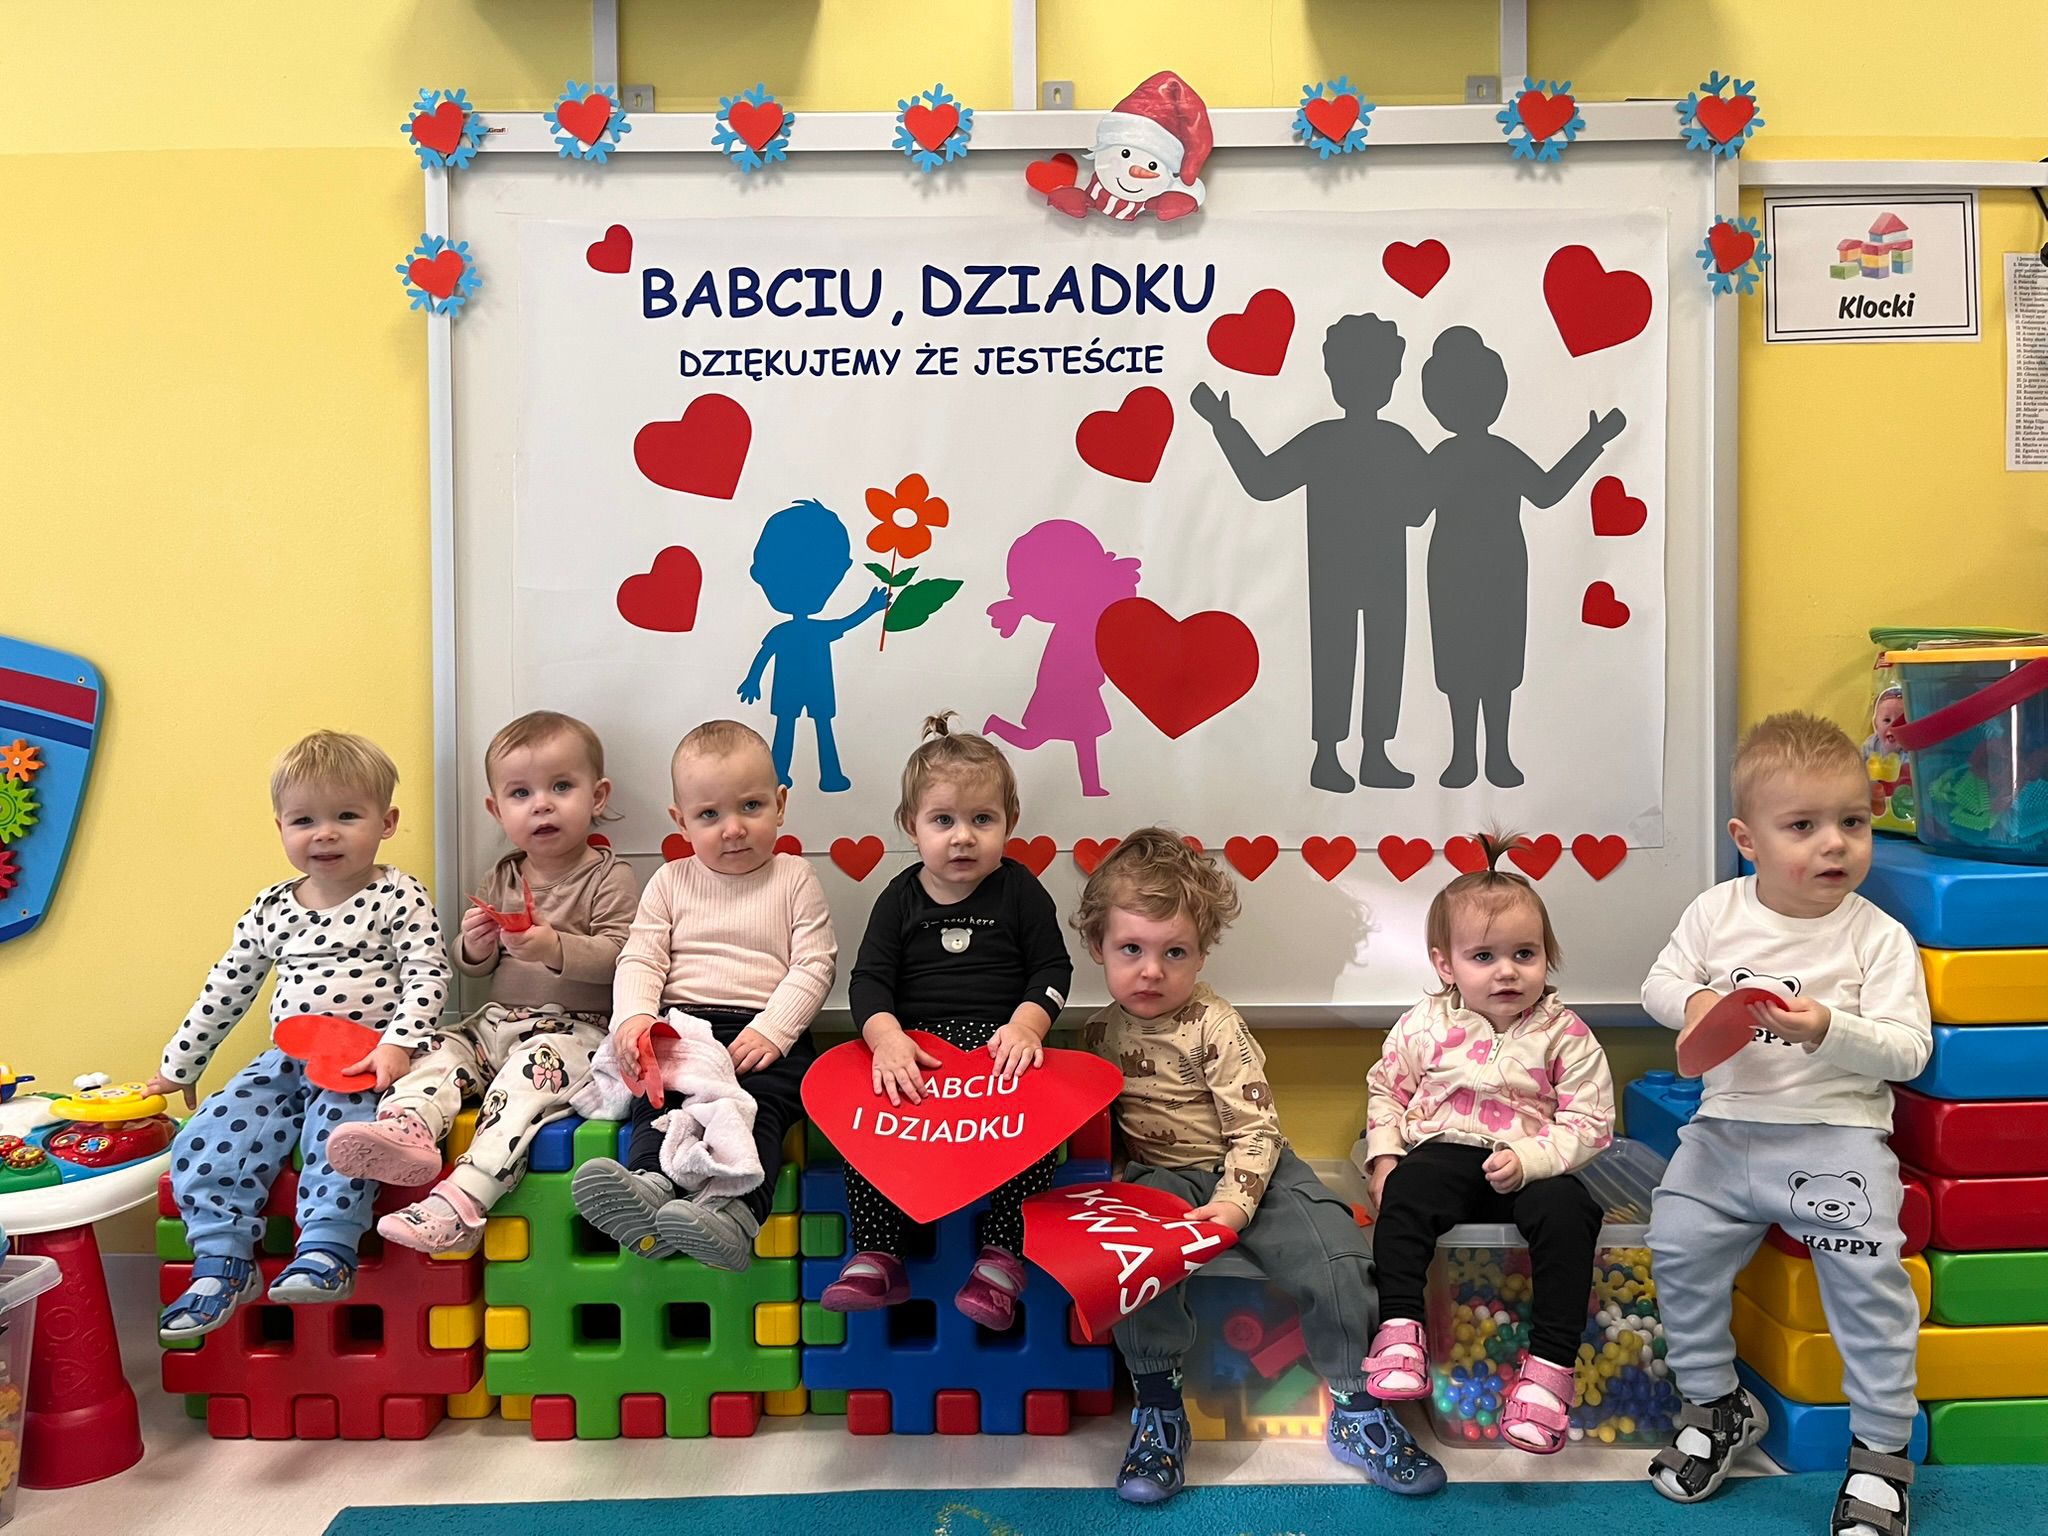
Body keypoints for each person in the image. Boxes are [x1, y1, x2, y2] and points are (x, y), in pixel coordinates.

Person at [1076, 829, 1442, 1504]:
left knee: (1335, 1252)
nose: (1152, 971)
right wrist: (1119, 1185)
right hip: (1160, 1174)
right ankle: (1159, 1409)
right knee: (1132, 1264)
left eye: (1174, 952)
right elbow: (1107, 1129)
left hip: (1253, 1164)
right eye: (1131, 950)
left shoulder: (1216, 1025)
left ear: (1201, 953)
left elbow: (1255, 1130)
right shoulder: (1098, 1034)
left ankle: (1356, 1406)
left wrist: (1235, 1204)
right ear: (1097, 946)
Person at [1643, 712, 1930, 1536]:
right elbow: (1659, 985)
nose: (1834, 844)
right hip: (1725, 1131)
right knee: (1674, 1245)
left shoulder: (1879, 938)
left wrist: (1827, 1028)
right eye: (1803, 826)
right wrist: (1700, 1000)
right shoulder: (1717, 912)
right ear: (1748, 840)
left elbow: (1908, 1050)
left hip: (1836, 1139)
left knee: (1870, 1289)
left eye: (1852, 822)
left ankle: (1880, 1456)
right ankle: (1715, 1404)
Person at [151, 732, 449, 1339]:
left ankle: (326, 1248)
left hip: (365, 1058)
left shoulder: (397, 893)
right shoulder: (271, 908)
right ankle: (222, 1259)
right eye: (304, 820)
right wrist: (181, 1065)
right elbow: (227, 986)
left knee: (340, 1134)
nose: (325, 834)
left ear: (387, 823)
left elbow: (428, 971)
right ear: (281, 827)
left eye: (347, 816)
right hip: (289, 1057)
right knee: (212, 1127)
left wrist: (397, 1044)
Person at [326, 712, 636, 1254]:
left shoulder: (611, 876)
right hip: (493, 1025)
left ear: (598, 796)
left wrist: (554, 947)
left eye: (561, 787)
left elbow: (624, 958)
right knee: (434, 1048)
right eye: (521, 793)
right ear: (497, 810)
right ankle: (409, 1127)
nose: (541, 804)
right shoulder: (502, 875)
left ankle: (461, 1203)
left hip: (573, 1031)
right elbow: (474, 969)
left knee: (524, 1082)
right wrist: (473, 946)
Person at [1360, 832, 1615, 1455]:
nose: (1507, 971)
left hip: (1531, 1164)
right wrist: (1385, 1156)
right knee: (1406, 1190)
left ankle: (1548, 1372)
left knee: (1571, 1211)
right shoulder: (1424, 1024)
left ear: (1547, 957)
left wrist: (1530, 1159)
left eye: (1525, 954)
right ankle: (1401, 1330)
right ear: (1446, 965)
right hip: (1444, 1150)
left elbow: (1591, 1120)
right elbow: (1386, 1090)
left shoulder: (1566, 1033)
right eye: (1484, 956)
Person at [821, 713, 1070, 1329]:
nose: (963, 838)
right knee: (866, 1126)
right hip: (920, 1059)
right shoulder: (898, 897)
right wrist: (886, 1040)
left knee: (1035, 1132)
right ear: (911, 825)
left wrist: (1028, 1027)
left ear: (1010, 822)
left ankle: (1002, 1259)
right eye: (943, 821)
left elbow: (1053, 970)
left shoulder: (1021, 892)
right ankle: (879, 1253)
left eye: (982, 820)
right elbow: (868, 981)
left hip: (998, 1057)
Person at [570, 719, 834, 1269]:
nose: (733, 829)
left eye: (751, 806)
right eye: (709, 815)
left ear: (780, 805)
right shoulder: (670, 881)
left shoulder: (794, 878)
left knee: (760, 1105)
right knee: (657, 1097)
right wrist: (634, 1018)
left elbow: (814, 964)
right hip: (685, 1025)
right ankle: (649, 1185)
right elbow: (641, 957)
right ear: (682, 822)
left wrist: (774, 1030)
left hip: (763, 1032)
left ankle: (736, 1213)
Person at [1191, 313, 1431, 793]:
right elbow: (1264, 482)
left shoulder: (1372, 441)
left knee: (1374, 658)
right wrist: (1223, 425)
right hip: (1347, 576)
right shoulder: (1380, 441)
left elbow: (1264, 481)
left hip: (1367, 575)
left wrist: (1224, 424)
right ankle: (1336, 755)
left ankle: (1367, 754)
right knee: (1347, 658)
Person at [1418, 325, 1625, 789]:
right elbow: (1546, 491)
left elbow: (1546, 491)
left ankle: (1491, 756)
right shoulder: (1452, 457)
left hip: (1494, 569)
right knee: (1465, 662)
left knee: (1493, 661)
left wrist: (1593, 443)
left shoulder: (1460, 455)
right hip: (1462, 571)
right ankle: (1469, 757)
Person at [982, 518, 1142, 798]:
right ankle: (995, 724)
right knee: (1033, 740)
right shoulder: (1074, 622)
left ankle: (1091, 786)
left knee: (1086, 738)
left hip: (1081, 689)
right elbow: (1068, 658)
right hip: (1060, 691)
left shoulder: (1087, 614)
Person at [739, 498, 889, 793]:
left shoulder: (794, 631)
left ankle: (823, 775)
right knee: (796, 728)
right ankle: (787, 775)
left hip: (808, 686)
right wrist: (752, 680)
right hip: (802, 686)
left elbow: (845, 623)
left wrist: (871, 608)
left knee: (811, 727)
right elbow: (766, 654)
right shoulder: (796, 632)